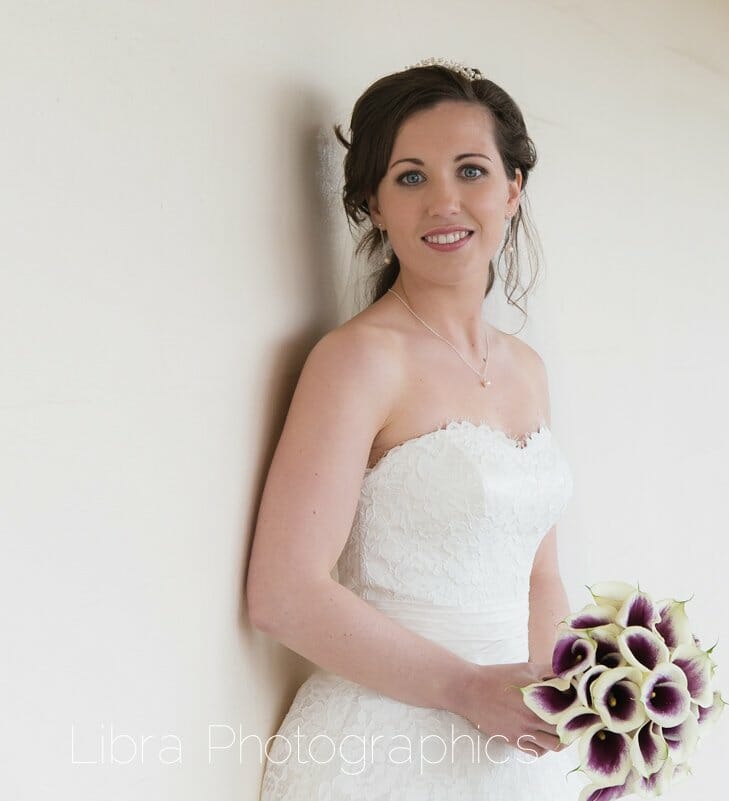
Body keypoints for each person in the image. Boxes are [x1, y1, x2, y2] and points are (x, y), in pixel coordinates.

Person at [245, 58, 583, 800]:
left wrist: (570, 707)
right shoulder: (359, 360)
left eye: (471, 170)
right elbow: (282, 591)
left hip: (516, 747)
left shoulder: (526, 368)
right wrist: (466, 688)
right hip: (386, 744)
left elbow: (541, 573)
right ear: (373, 203)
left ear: (512, 190)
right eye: (410, 177)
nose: (444, 202)